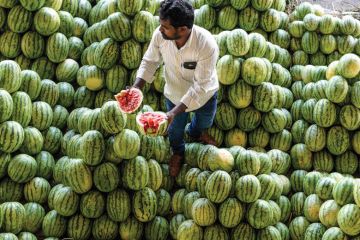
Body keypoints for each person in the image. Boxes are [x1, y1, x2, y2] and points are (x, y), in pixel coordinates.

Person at [131, 0, 219, 177]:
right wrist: (136, 89)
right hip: (174, 94)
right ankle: (178, 152)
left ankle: (196, 133)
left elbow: (200, 87)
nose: (160, 29)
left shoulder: (206, 45)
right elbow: (150, 61)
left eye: (165, 27)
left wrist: (172, 113)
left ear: (183, 30)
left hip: (204, 96)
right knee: (175, 131)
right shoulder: (160, 35)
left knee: (204, 122)